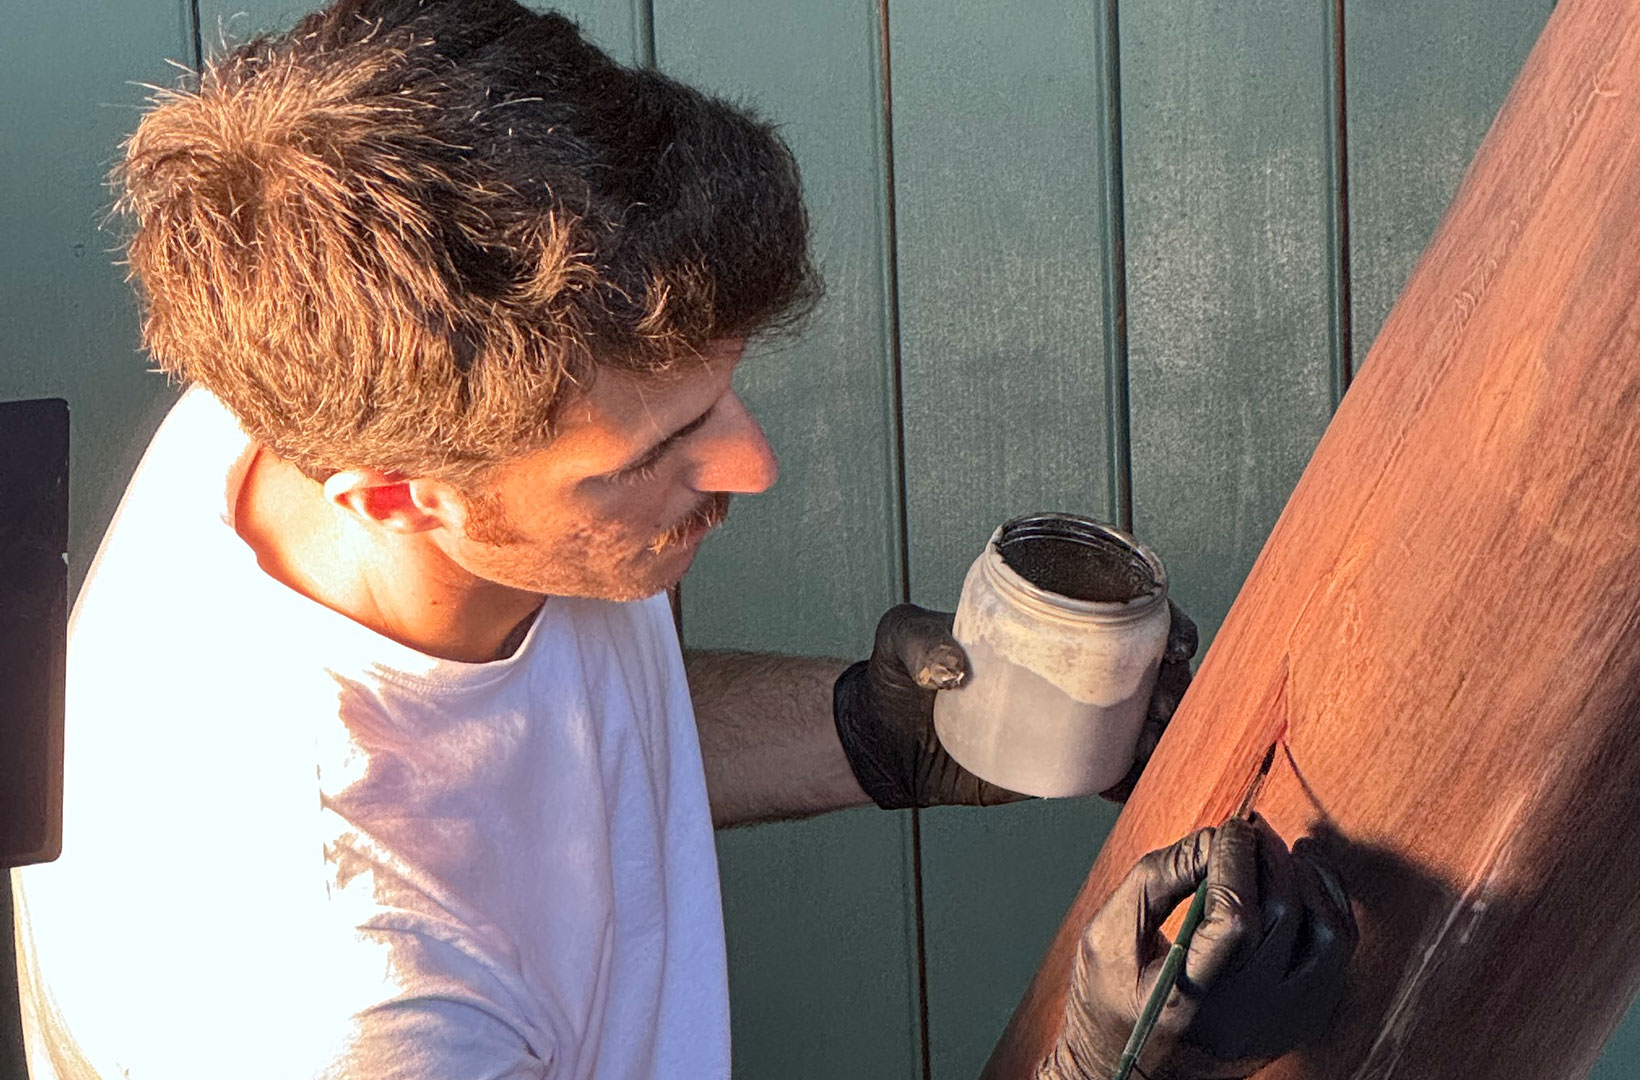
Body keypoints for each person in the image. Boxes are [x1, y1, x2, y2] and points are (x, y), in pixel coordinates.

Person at [9, 2, 1354, 1078]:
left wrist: (872, 732)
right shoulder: (350, 1007)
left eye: (721, 394)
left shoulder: (310, 361)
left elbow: (513, 763)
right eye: (656, 451)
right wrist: (1110, 1065)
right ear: (396, 495)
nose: (752, 465)